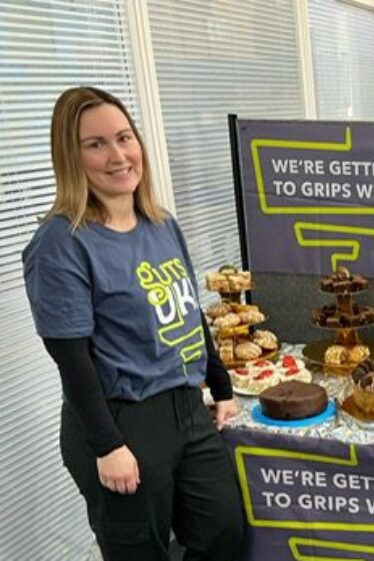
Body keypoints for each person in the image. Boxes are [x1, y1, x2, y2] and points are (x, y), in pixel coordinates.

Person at [22, 87, 244, 560]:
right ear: (71, 156)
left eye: (124, 137)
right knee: (140, 552)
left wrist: (220, 386)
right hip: (122, 419)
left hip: (186, 408)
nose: (118, 155)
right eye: (96, 144)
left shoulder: (161, 224)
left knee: (223, 532)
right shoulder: (62, 242)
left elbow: (188, 313)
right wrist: (108, 446)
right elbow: (70, 358)